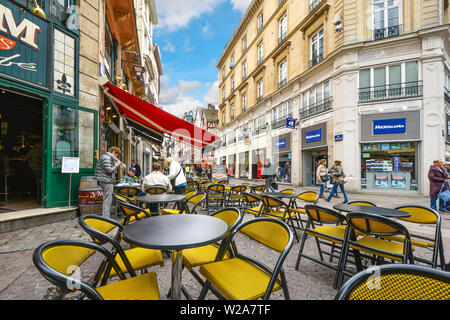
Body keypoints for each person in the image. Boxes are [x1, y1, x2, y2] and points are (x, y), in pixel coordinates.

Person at [94, 147, 123, 218]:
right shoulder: (107, 158)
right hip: (107, 181)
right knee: (108, 200)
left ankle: (105, 216)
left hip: (103, 180)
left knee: (106, 199)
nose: (116, 156)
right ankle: (106, 218)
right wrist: (116, 165)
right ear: (113, 152)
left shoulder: (105, 157)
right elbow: (109, 170)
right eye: (117, 154)